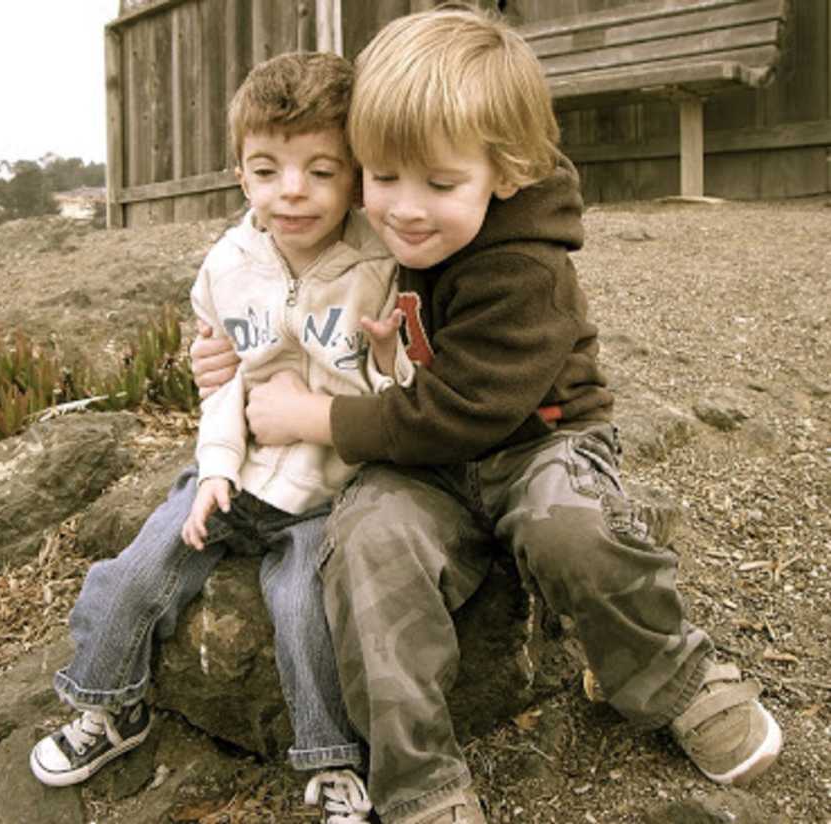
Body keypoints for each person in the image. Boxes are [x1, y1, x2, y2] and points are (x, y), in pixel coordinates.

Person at [191, 6, 783, 824]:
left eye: (439, 185)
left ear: (504, 173)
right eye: (381, 176)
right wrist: (226, 354)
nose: (401, 209)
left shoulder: (523, 270)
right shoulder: (373, 224)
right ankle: (419, 779)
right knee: (365, 547)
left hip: (535, 443)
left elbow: (463, 411)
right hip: (419, 466)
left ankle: (671, 674)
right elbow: (279, 277)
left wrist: (317, 418)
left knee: (571, 528)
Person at [30, 51, 413, 823]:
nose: (292, 191)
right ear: (241, 175)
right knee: (135, 569)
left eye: (320, 170)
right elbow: (224, 382)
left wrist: (381, 358)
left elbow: (401, 400)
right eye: (267, 170)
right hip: (236, 470)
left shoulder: (382, 264)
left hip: (330, 489)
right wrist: (212, 472)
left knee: (305, 609)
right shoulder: (227, 266)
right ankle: (110, 705)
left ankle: (331, 757)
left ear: (357, 175)